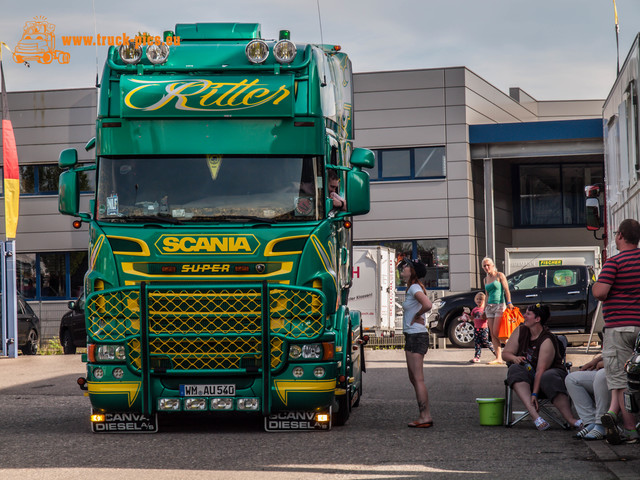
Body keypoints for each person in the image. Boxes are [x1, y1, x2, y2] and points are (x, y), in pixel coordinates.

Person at [592, 218, 640, 444]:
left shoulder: (614, 263)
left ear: (620, 236)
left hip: (619, 329)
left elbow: (600, 292)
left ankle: (629, 430)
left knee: (621, 381)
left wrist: (595, 284)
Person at [503, 303, 582, 431]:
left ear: (537, 319)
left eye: (528, 314)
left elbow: (541, 370)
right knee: (514, 369)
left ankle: (571, 419)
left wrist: (534, 393)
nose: (524, 316)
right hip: (529, 376)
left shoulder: (547, 339)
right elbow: (505, 354)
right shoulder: (521, 330)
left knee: (548, 376)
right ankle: (536, 418)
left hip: (549, 376)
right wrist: (514, 358)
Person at [399, 258, 434, 428]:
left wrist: (418, 315)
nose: (403, 268)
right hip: (412, 336)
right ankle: (423, 415)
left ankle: (425, 416)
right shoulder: (413, 288)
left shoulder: (414, 287)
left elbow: (428, 304)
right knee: (413, 378)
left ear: (412, 271)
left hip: (416, 336)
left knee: (418, 379)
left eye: (406, 266)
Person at [565, 353, 611, 440]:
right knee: (572, 379)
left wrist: (606, 363)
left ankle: (601, 423)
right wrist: (595, 361)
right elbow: (609, 350)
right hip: (609, 365)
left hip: (621, 370)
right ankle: (590, 421)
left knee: (601, 375)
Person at [482, 257, 512, 364]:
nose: (486, 267)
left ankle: (512, 349)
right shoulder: (485, 279)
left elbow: (506, 290)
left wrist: (509, 302)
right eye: (484, 266)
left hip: (500, 305)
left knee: (497, 332)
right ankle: (498, 357)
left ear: (493, 265)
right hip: (489, 307)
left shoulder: (500, 275)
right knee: (493, 334)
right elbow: (487, 295)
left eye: (488, 265)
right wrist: (484, 309)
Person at [468, 291, 497, 363]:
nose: (478, 301)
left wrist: (484, 316)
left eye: (480, 299)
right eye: (477, 299)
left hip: (484, 328)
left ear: (484, 300)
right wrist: (467, 316)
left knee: (486, 341)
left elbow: (487, 318)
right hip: (476, 328)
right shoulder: (474, 309)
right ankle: (477, 357)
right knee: (477, 343)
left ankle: (496, 353)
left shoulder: (485, 309)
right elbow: (472, 318)